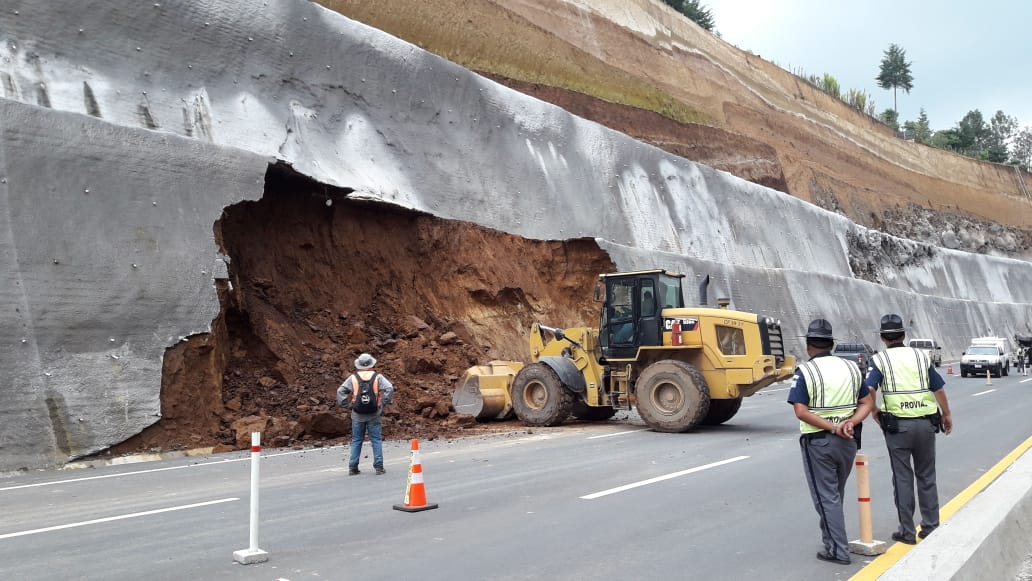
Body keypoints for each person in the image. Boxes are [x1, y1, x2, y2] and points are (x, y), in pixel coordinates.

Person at [787, 318, 874, 566]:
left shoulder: (806, 371)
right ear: (831, 344)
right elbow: (867, 402)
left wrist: (833, 427)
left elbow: (801, 411)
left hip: (819, 443)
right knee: (835, 494)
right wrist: (851, 422)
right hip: (848, 441)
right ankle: (831, 541)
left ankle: (838, 550)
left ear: (808, 345)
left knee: (826, 497)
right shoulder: (851, 368)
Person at [864, 314, 953, 544]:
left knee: (902, 478)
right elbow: (938, 389)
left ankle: (907, 531)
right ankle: (931, 526)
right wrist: (947, 414)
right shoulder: (921, 356)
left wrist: (874, 410)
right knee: (927, 476)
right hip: (926, 424)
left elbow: (869, 389)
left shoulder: (879, 360)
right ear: (904, 335)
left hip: (897, 428)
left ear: (883, 338)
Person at [337, 353, 394, 476]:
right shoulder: (377, 377)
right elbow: (389, 388)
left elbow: (340, 391)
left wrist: (346, 405)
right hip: (374, 413)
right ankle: (379, 467)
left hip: (357, 414)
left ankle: (353, 467)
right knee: (376, 440)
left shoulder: (353, 378)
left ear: (359, 365)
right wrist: (383, 402)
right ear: (371, 364)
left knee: (357, 440)